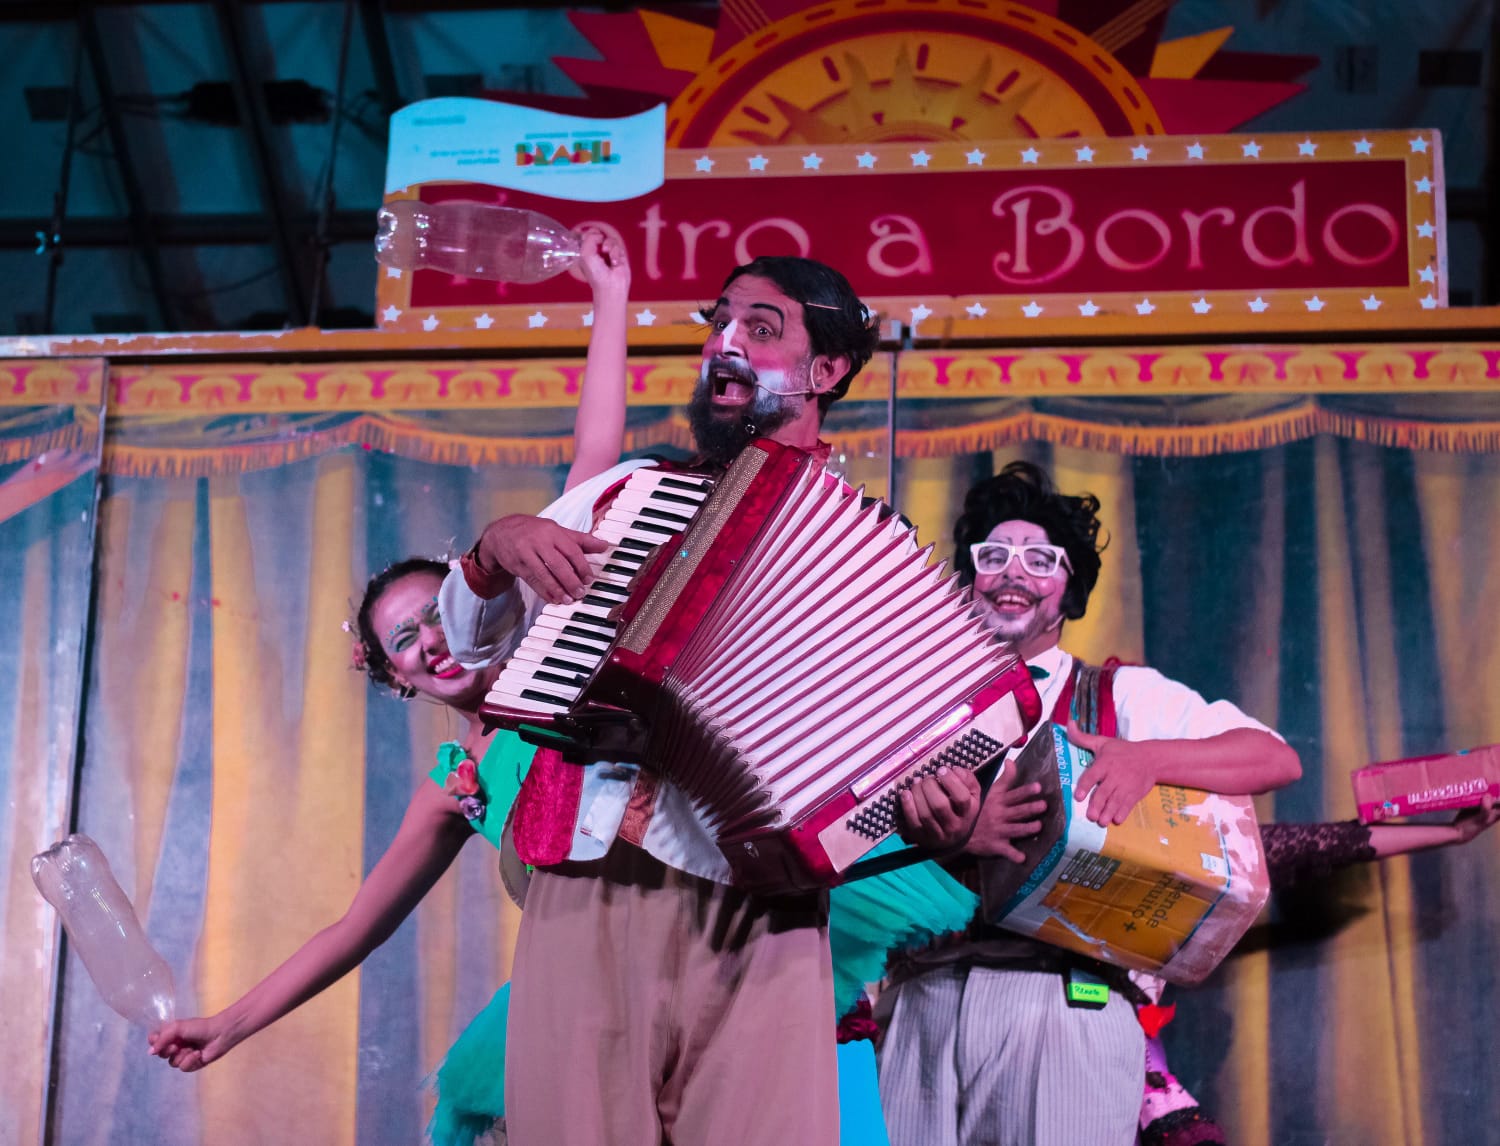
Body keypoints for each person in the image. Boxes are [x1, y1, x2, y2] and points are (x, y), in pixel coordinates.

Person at [436, 254, 967, 1146]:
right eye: (719, 323)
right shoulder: (628, 495)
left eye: (760, 329)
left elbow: (901, 768)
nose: (725, 344)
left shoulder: (879, 558)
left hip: (770, 911)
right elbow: (470, 642)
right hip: (593, 877)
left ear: (824, 373)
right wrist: (493, 550)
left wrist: (931, 806)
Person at [144, 229, 633, 1074]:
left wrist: (610, 299)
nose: (431, 643)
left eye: (437, 616)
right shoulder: (454, 788)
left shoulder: (565, 642)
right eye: (404, 641)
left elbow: (594, 458)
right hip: (584, 984)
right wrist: (229, 1023)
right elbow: (355, 928)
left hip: (684, 925)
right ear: (395, 678)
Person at [874, 461, 1303, 1146]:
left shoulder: (1119, 696)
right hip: (919, 994)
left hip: (1065, 1000)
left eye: (1040, 559)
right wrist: (948, 837)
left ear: (1068, 590)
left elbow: (1273, 757)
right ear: (967, 580)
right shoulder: (910, 705)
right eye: (994, 556)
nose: (1014, 573)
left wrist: (1148, 757)